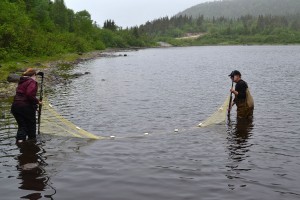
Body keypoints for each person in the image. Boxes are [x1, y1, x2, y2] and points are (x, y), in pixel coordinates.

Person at [11, 68, 42, 144]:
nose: (36, 78)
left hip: (15, 106)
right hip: (25, 107)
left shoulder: (21, 81)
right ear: (33, 75)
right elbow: (29, 94)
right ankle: (31, 143)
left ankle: (20, 142)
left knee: (22, 126)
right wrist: (37, 102)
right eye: (36, 76)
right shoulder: (32, 82)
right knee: (31, 125)